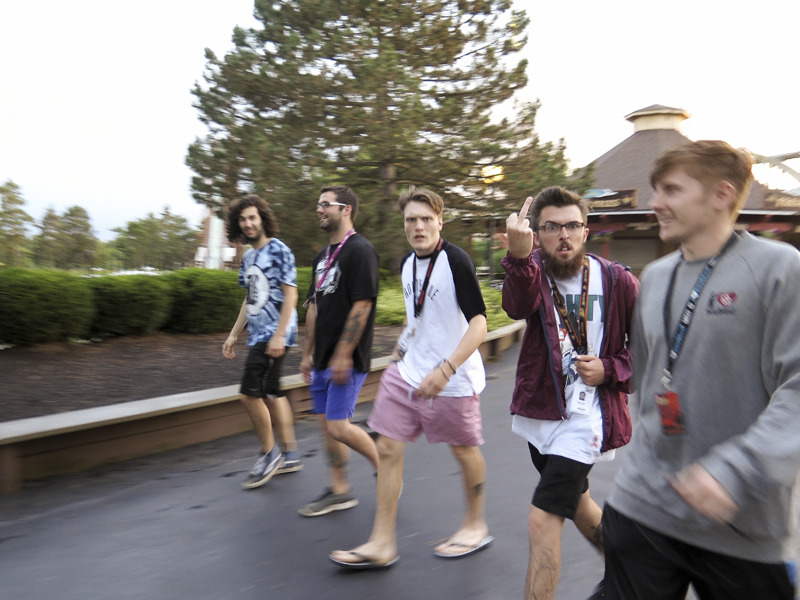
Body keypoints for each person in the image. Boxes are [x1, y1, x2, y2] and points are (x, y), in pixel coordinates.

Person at [591, 140, 800, 599]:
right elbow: (649, 381)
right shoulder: (656, 277)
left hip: (739, 521)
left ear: (721, 194)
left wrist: (736, 471)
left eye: (671, 190)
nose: (655, 203)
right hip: (643, 501)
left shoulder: (780, 270)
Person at [329, 185, 491, 569]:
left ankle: (476, 524)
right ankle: (382, 541)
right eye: (410, 220)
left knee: (463, 449)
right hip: (409, 370)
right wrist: (400, 352)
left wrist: (446, 368)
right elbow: (416, 317)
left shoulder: (456, 261)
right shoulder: (407, 262)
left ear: (440, 220)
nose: (418, 226)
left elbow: (480, 324)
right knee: (386, 447)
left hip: (454, 377)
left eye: (425, 219)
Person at [501, 186, 638, 600]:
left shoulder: (617, 281)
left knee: (543, 518)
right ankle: (632, 574)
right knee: (577, 503)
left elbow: (650, 347)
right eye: (552, 227)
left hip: (590, 418)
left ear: (585, 230)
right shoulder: (532, 274)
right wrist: (520, 257)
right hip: (542, 413)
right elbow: (515, 306)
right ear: (537, 233)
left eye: (572, 225)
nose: (564, 235)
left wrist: (611, 369)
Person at [298, 185, 380, 517]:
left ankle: (385, 464)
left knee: (338, 426)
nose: (319, 209)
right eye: (318, 204)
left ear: (345, 209)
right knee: (326, 426)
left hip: (346, 359)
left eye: (325, 204)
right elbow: (314, 306)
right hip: (321, 358)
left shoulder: (360, 251)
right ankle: (339, 489)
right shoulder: (322, 256)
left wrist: (344, 352)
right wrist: (307, 352)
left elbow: (362, 304)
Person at [222, 194, 302, 489]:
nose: (248, 223)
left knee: (248, 394)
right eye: (243, 219)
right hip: (258, 333)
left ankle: (269, 455)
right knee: (272, 392)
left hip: (274, 333)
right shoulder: (250, 257)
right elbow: (250, 297)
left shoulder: (279, 250)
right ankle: (290, 455)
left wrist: (280, 334)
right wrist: (234, 333)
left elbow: (291, 294)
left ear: (263, 219)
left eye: (252, 217)